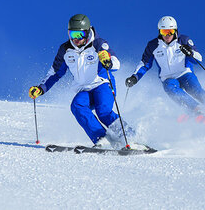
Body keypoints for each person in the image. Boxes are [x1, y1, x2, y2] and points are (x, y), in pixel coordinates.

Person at [29, 14, 134, 147]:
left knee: (103, 111)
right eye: (73, 34)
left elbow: (116, 63)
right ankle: (102, 140)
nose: (76, 39)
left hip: (102, 84)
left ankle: (130, 137)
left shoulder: (98, 44)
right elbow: (55, 72)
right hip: (84, 89)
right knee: (77, 106)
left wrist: (107, 61)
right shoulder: (65, 50)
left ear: (87, 32)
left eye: (80, 34)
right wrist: (41, 88)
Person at [125, 16, 205, 123]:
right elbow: (145, 63)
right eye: (163, 32)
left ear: (175, 30)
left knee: (196, 91)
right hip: (168, 77)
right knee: (170, 88)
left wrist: (190, 53)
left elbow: (199, 59)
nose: (167, 35)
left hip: (185, 74)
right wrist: (135, 77)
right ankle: (196, 110)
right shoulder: (153, 45)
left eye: (170, 31)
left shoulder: (183, 40)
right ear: (159, 32)